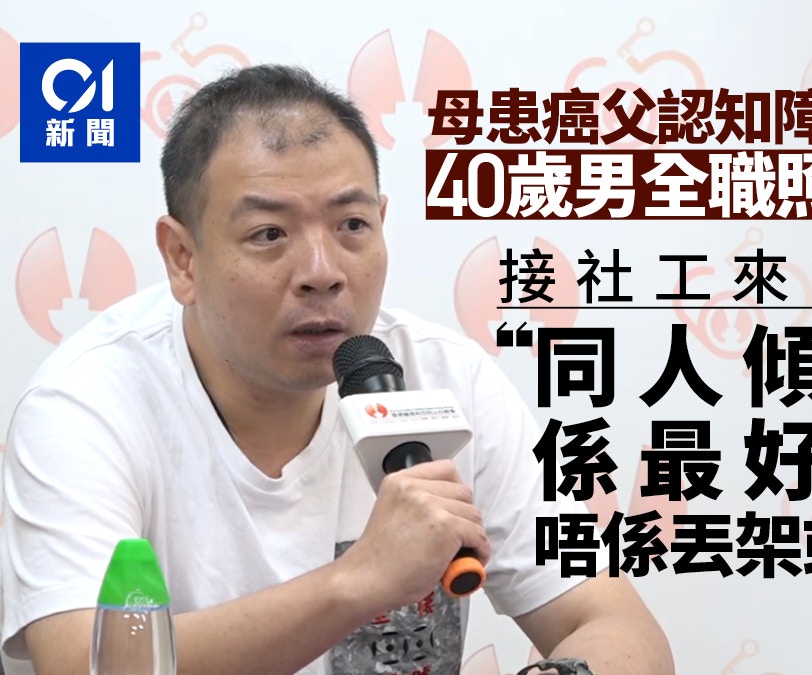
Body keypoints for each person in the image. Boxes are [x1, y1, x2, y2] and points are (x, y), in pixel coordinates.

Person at [0, 64, 674, 675]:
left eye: (351, 225)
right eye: (269, 234)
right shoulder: (87, 403)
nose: (322, 273)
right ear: (183, 258)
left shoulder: (448, 377)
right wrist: (360, 580)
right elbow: (81, 661)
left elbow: (618, 625)